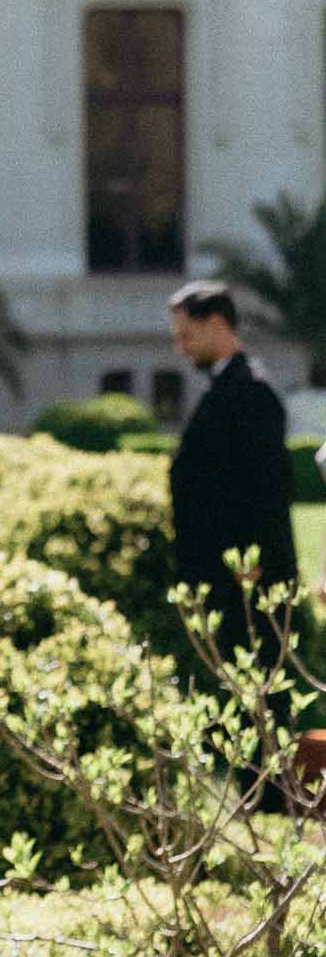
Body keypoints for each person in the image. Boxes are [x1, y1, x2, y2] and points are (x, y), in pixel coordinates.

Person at [168, 280, 299, 672]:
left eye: (187, 334)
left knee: (261, 688)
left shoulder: (252, 391)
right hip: (222, 578)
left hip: (248, 582)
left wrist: (254, 564)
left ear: (216, 324)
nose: (180, 347)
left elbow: (270, 489)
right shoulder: (224, 388)